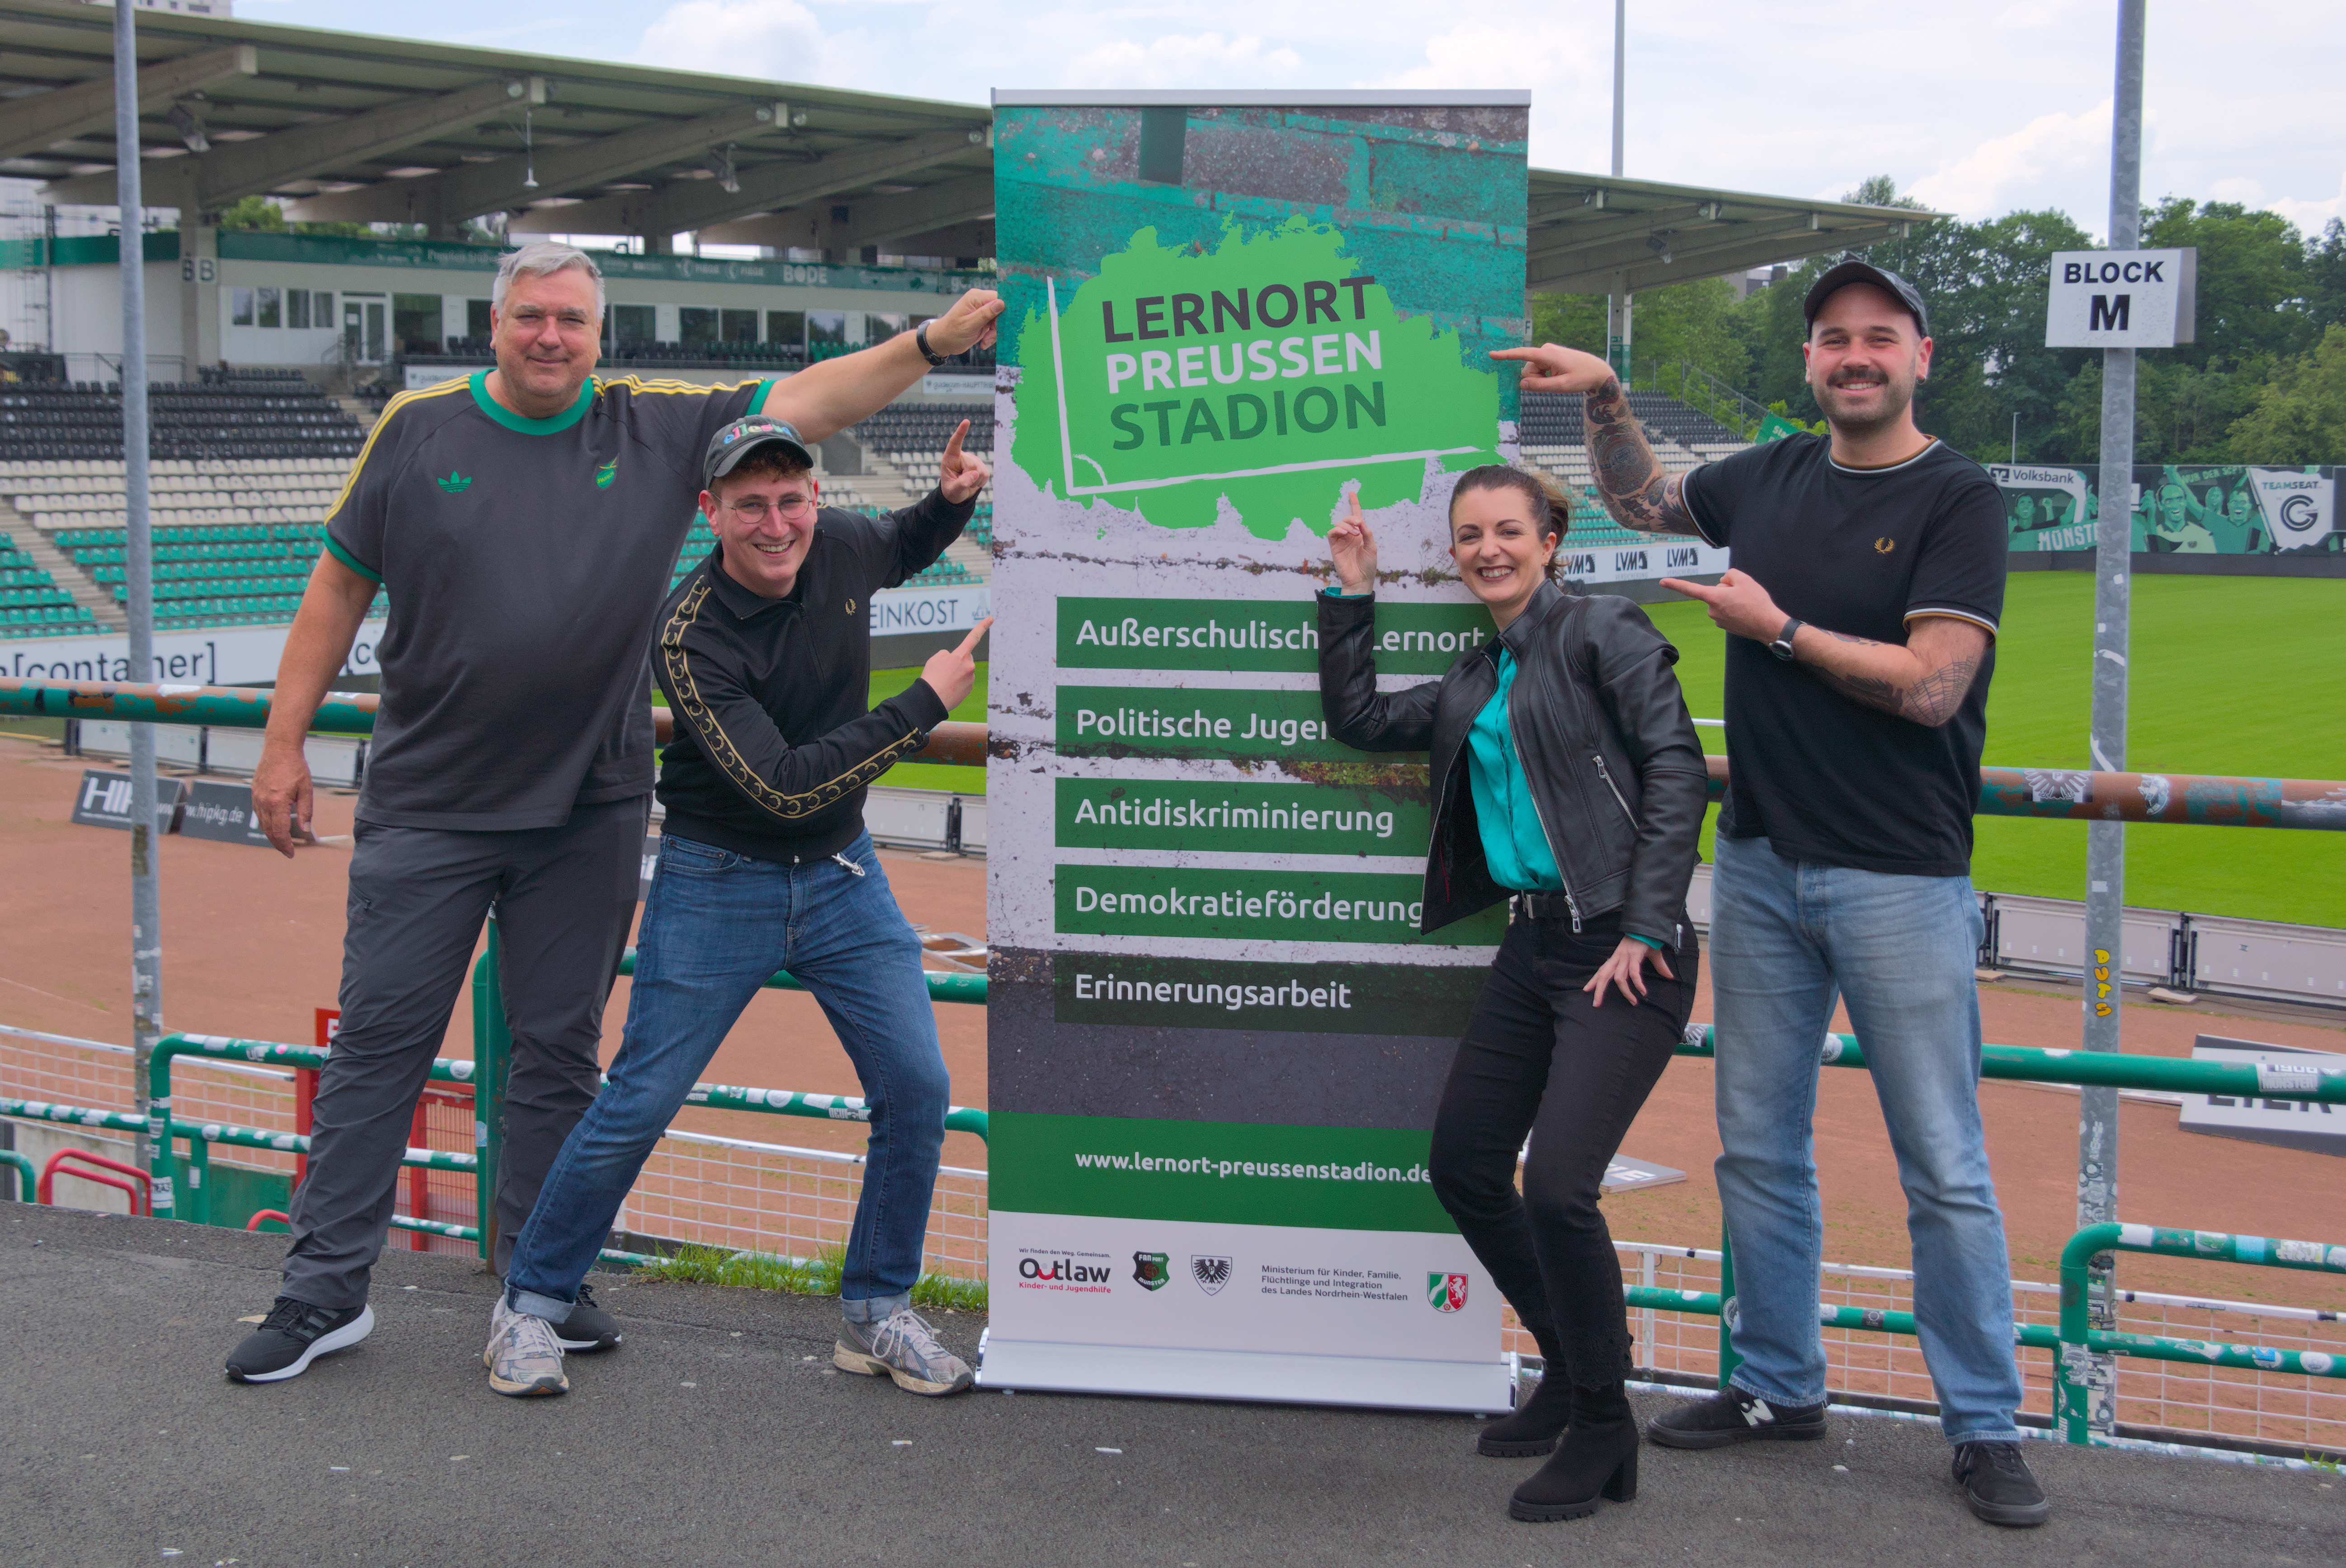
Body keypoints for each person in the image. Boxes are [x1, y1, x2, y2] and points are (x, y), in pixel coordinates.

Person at [224, 240, 1003, 1384]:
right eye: (531, 316)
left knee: (559, 1055)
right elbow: (341, 580)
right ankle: (322, 1294)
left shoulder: (653, 424)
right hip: (432, 802)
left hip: (587, 804)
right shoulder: (417, 428)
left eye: (572, 320)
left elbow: (812, 400)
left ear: (601, 335)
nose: (551, 336)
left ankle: (536, 1285)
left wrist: (933, 344)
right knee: (383, 1046)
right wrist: (283, 740)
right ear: (495, 324)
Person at [1493, 261, 2051, 1529]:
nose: (1854, 356)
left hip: (1899, 875)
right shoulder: (1772, 473)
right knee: (1756, 1144)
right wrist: (1605, 394)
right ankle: (1775, 1383)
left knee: (1942, 1163)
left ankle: (1983, 1424)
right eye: (1832, 338)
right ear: (1809, 359)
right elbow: (1641, 496)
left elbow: (1932, 688)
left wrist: (1778, 630)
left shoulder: (1957, 495)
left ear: (1918, 356)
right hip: (1755, 862)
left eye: (1878, 338)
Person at [479, 414, 991, 1400]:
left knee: (917, 1087)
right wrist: (924, 705)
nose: (776, 523)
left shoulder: (841, 542)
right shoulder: (690, 634)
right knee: (640, 1100)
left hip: (842, 873)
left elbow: (898, 544)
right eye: (750, 505)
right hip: (721, 878)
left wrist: (948, 502)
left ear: (815, 500)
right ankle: (530, 1303)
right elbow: (785, 787)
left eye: (791, 499)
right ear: (710, 512)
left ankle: (876, 1312)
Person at [1316, 469, 1707, 1524]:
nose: (1487, 549)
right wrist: (1352, 591)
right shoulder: (1477, 671)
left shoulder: (1602, 631)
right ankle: (1573, 1375)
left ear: (1550, 539)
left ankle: (1604, 1423)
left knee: (1562, 1188)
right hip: (1535, 947)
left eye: (1507, 531)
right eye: (1468, 535)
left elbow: (1678, 767)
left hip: (1625, 949)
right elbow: (1359, 717)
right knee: (1465, 1165)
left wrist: (1645, 924)